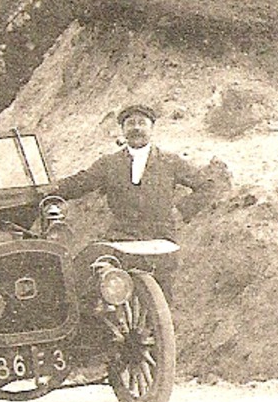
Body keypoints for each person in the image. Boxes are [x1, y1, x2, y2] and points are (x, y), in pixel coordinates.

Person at [50, 103, 214, 298]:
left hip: (160, 238)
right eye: (130, 124)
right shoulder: (109, 163)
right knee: (92, 278)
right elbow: (81, 182)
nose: (136, 128)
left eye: (142, 123)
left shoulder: (170, 162)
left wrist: (181, 211)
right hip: (122, 237)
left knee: (162, 300)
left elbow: (207, 186)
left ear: (151, 128)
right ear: (123, 130)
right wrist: (49, 190)